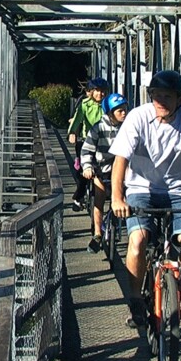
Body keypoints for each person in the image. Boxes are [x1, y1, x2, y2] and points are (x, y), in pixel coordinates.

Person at [109, 69, 181, 327]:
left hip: (180, 191)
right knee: (138, 241)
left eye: (167, 96)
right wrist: (117, 198)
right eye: (156, 95)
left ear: (180, 99)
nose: (160, 101)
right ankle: (136, 301)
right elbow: (120, 160)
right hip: (141, 188)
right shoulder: (138, 117)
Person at [80, 92, 129, 253]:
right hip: (102, 170)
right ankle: (97, 234)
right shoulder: (98, 128)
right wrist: (87, 167)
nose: (124, 113)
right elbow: (86, 150)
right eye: (120, 110)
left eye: (125, 109)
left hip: (122, 171)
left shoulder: (128, 128)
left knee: (130, 196)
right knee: (99, 198)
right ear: (110, 113)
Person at [68, 78, 109, 211]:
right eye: (97, 90)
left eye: (103, 91)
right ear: (91, 92)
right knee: (83, 170)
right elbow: (77, 119)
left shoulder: (108, 105)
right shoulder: (85, 105)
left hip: (104, 141)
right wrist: (72, 132)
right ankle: (78, 196)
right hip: (87, 140)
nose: (100, 94)